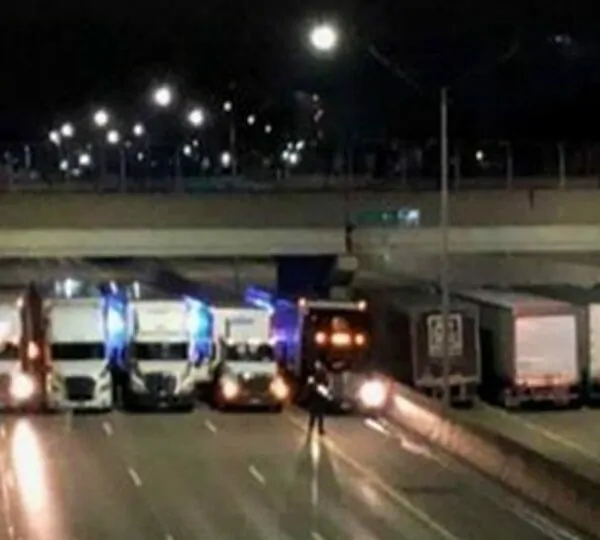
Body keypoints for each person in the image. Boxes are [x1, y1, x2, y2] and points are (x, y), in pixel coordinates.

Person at [306, 360, 330, 436]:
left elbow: (310, 387)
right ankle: (319, 429)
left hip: (316, 398)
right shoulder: (324, 379)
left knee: (314, 415)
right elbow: (325, 388)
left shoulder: (314, 378)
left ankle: (311, 428)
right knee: (320, 415)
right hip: (320, 399)